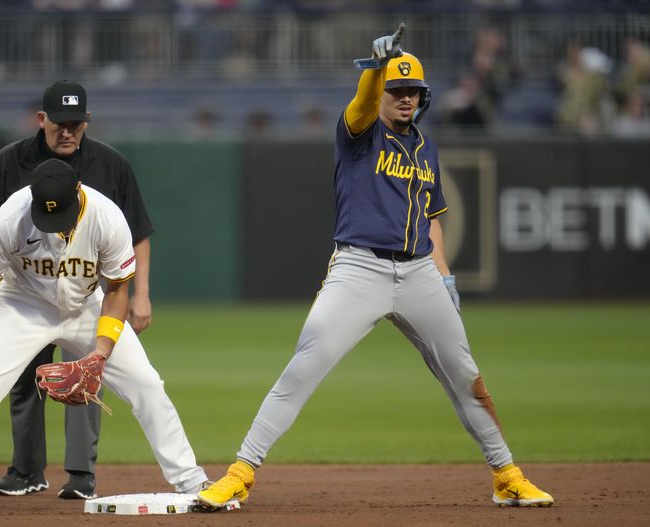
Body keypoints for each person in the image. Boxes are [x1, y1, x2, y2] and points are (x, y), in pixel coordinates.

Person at [198, 27, 555, 510]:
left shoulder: (426, 148)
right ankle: (241, 473)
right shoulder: (360, 135)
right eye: (396, 89)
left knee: (466, 377)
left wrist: (445, 276)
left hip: (419, 274)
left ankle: (507, 476)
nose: (405, 98)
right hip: (358, 270)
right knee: (302, 370)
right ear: (382, 92)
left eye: (413, 91)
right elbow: (362, 106)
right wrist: (373, 69)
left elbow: (431, 218)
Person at [0, 159, 209, 517]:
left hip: (86, 304)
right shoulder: (11, 217)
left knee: (146, 384)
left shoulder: (107, 218)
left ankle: (191, 480)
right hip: (21, 306)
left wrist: (100, 352)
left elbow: (116, 290)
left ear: (78, 192)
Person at [0, 80, 154, 500]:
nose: (68, 131)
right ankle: (27, 470)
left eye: (77, 123)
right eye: (60, 123)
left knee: (84, 374)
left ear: (87, 122)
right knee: (22, 377)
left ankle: (81, 474)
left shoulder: (110, 163)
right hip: (25, 292)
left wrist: (140, 294)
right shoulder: (8, 162)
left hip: (85, 292)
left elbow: (138, 232)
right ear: (41, 119)